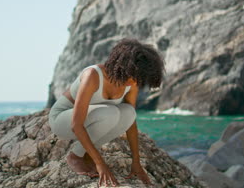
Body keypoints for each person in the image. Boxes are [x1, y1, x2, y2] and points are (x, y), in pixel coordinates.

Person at [48, 38, 165, 187]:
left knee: (128, 113)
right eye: (134, 77)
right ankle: (75, 156)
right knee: (110, 113)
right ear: (123, 67)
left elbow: (130, 122)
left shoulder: (131, 83)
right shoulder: (93, 75)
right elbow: (76, 124)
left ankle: (87, 153)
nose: (135, 83)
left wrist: (136, 162)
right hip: (61, 119)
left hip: (95, 117)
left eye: (139, 80)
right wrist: (100, 163)